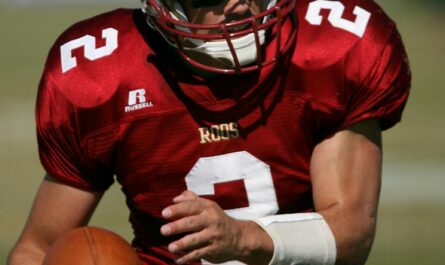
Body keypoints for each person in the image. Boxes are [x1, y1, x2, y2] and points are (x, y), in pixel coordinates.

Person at [8, 0, 411, 264]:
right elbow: (38, 247)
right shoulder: (99, 72)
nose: (239, 4)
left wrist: (243, 237)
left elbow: (352, 230)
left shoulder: (332, 45)